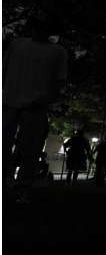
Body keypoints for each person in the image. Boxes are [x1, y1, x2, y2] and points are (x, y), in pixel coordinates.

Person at [2, 15, 68, 201]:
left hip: (30, 104)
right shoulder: (18, 45)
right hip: (14, 102)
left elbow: (59, 81)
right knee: (19, 147)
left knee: (29, 148)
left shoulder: (56, 51)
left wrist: (45, 98)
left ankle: (22, 186)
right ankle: (17, 185)